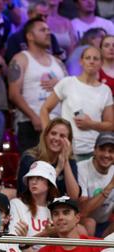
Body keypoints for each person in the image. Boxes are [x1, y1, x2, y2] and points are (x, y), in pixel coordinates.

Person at [40, 46, 114, 161]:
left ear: (101, 63)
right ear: (81, 61)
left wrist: (91, 124)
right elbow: (45, 109)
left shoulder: (105, 90)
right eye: (88, 58)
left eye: (95, 58)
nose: (91, 61)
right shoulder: (67, 83)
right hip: (67, 150)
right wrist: (47, 136)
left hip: (93, 151)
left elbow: (110, 125)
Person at [8, 16, 66, 154]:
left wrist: (59, 84)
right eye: (42, 30)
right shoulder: (20, 59)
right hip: (31, 124)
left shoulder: (58, 62)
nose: (48, 33)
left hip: (57, 124)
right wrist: (34, 117)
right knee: (32, 168)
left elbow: (71, 91)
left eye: (48, 30)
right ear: (30, 36)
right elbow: (14, 94)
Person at [21, 196, 114, 252]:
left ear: (77, 218)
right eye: (56, 214)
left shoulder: (99, 246)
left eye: (66, 212)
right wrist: (24, 245)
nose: (60, 217)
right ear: (52, 220)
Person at [17, 118, 80, 199]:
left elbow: (74, 196)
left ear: (68, 141)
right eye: (53, 133)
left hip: (58, 209)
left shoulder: (70, 161)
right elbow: (33, 195)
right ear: (45, 135)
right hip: (32, 208)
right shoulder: (30, 159)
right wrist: (58, 169)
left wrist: (65, 162)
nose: (57, 138)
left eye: (62, 136)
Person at [78, 132, 114, 237]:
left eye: (111, 151)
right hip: (82, 222)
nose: (106, 155)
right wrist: (110, 186)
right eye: (102, 149)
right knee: (90, 223)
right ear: (94, 150)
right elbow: (83, 211)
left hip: (105, 224)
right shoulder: (82, 168)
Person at [10, 160, 59, 238]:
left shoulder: (57, 208)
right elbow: (14, 241)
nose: (33, 182)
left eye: (39, 178)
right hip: (24, 250)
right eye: (31, 178)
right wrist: (44, 233)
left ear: (49, 184)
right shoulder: (16, 204)